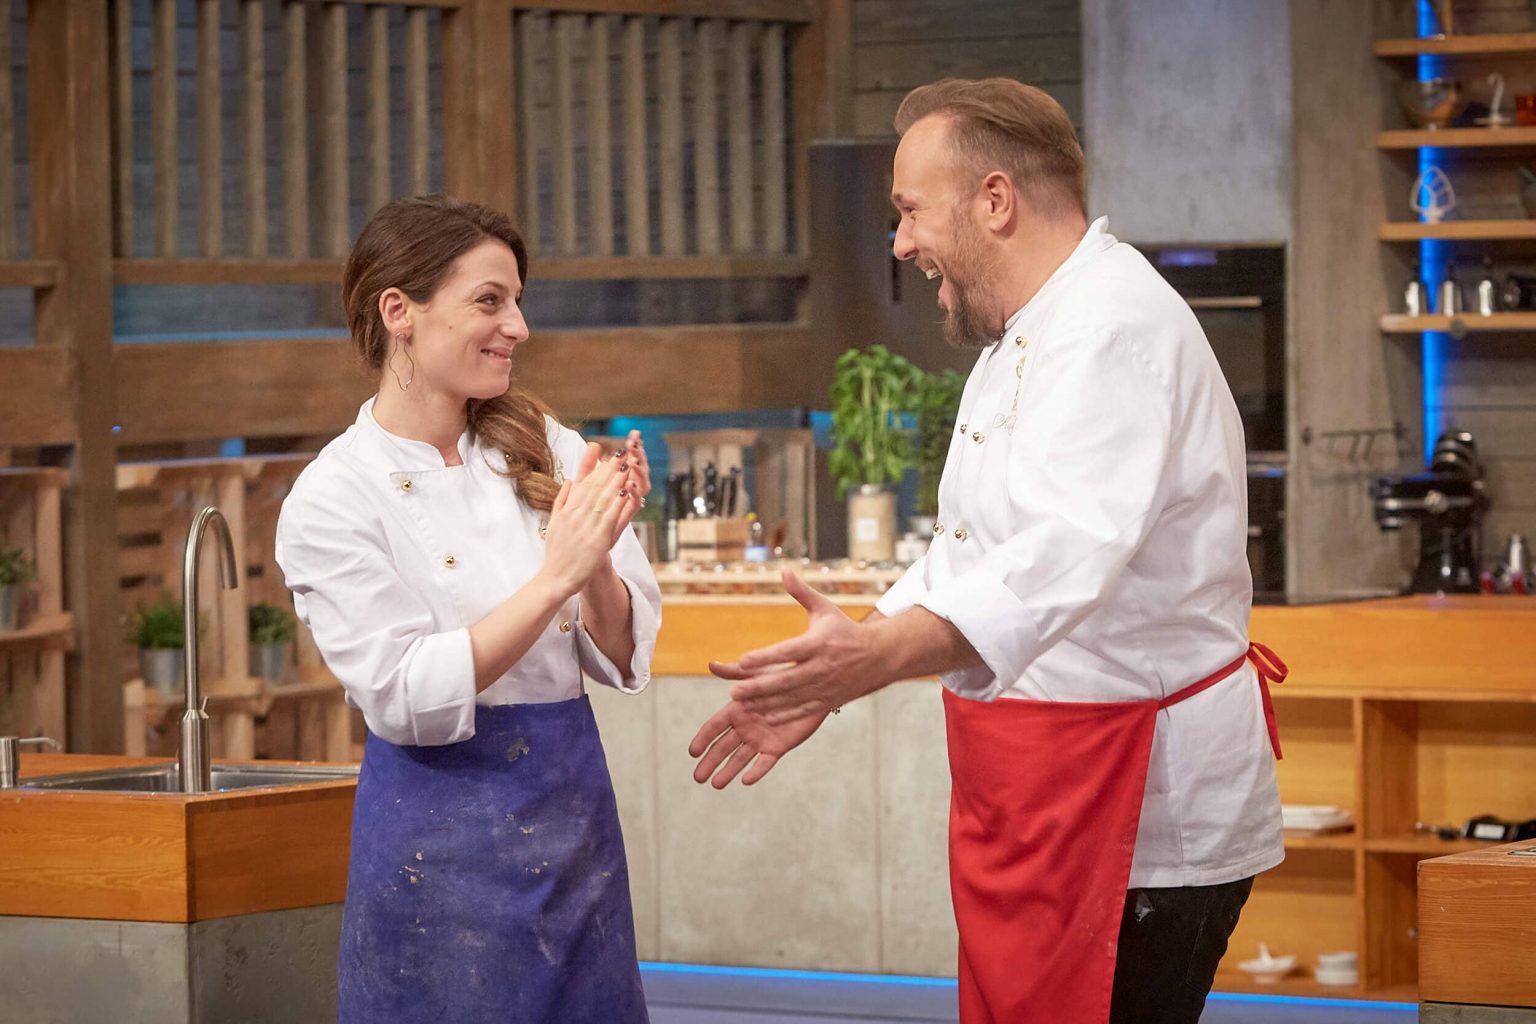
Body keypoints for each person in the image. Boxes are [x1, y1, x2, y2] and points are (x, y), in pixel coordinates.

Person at [688, 79, 1286, 1024]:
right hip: (1044, 788)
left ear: (995, 200)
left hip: (1134, 806)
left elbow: (1053, 561)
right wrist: (849, 657)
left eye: (910, 211)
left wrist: (873, 659)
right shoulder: (1028, 333)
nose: (901, 244)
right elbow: (973, 550)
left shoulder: (1110, 328)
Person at [275, 195, 659, 1024]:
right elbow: (405, 697)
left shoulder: (546, 443)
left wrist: (595, 560)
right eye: (490, 301)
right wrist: (554, 578)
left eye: (517, 300)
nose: (517, 326)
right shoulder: (333, 497)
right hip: (433, 853)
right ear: (399, 312)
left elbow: (625, 653)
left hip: (573, 830)